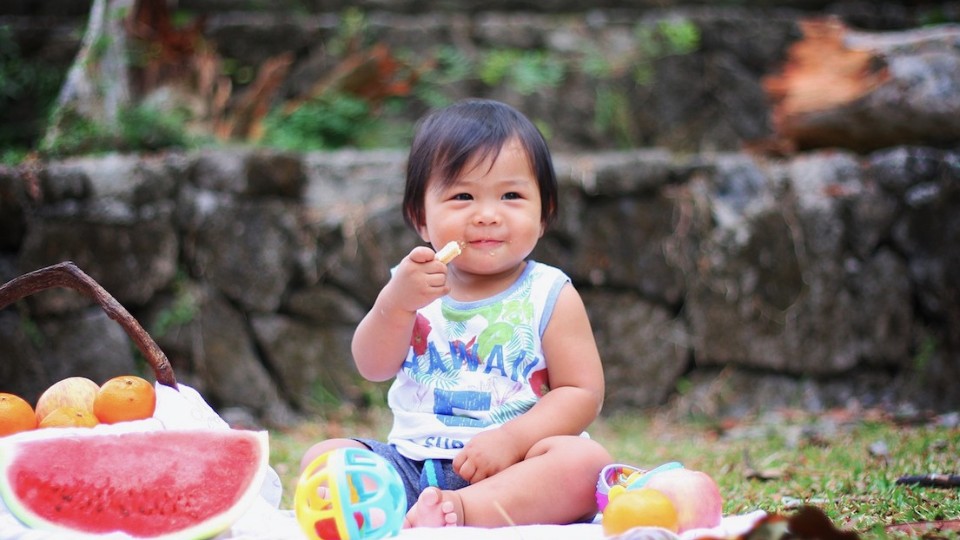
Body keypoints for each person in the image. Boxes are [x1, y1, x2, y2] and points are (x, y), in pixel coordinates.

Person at [300, 98, 610, 528]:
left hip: (515, 466)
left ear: (544, 215)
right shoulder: (411, 284)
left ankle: (463, 511)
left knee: (585, 462)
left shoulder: (549, 293)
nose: (486, 215)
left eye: (512, 195)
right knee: (324, 458)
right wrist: (396, 303)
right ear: (420, 219)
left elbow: (581, 392)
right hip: (411, 465)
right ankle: (420, 509)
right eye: (462, 195)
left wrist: (511, 439)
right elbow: (372, 366)